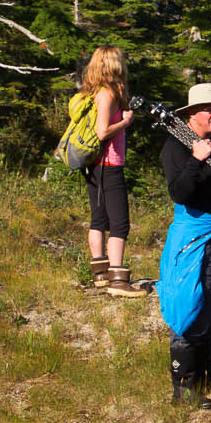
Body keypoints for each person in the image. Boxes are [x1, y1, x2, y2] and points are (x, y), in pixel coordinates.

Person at [158, 83, 211, 407]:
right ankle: (183, 391)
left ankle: (207, 380)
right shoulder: (175, 148)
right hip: (193, 238)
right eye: (209, 109)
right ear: (192, 115)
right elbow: (180, 193)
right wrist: (197, 161)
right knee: (189, 306)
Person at [78, 46, 144, 298]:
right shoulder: (107, 94)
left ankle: (100, 275)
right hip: (109, 163)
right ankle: (117, 279)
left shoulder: (92, 91)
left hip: (95, 164)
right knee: (119, 223)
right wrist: (126, 122)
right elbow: (102, 132)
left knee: (99, 219)